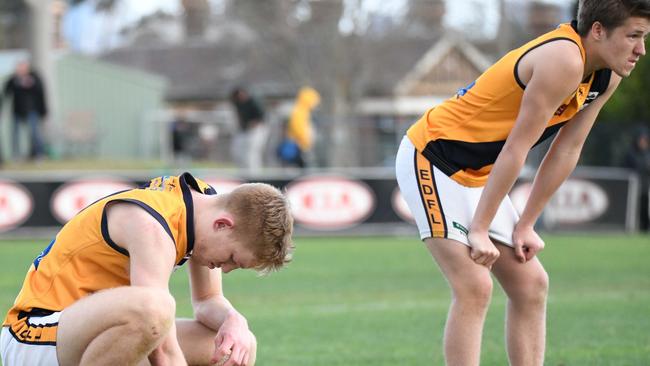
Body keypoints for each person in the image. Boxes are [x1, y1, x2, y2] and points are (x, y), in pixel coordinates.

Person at [395, 1, 650, 365]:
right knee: (475, 286)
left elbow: (567, 149)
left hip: (482, 172)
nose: (641, 49)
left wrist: (526, 224)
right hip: (433, 157)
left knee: (531, 286)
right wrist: (479, 229)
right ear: (597, 30)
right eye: (634, 36)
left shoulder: (607, 75)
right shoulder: (564, 59)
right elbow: (517, 147)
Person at [1, 172, 294, 366]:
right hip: (35, 337)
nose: (227, 269)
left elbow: (207, 302)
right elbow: (162, 349)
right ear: (223, 224)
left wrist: (234, 320)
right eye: (232, 257)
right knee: (154, 308)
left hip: (93, 337)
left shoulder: (202, 205)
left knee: (236, 346)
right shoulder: (151, 225)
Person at [2, 60, 48, 161]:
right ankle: (16, 155)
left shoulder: (34, 77)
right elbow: (6, 93)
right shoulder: (13, 79)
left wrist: (43, 110)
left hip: (32, 110)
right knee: (15, 134)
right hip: (17, 110)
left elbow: (40, 93)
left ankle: (39, 154)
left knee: (34, 133)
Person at [278, 87, 321, 169]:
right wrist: (305, 142)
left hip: (299, 144)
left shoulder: (301, 110)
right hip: (298, 145)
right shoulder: (300, 112)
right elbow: (298, 128)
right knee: (301, 168)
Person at [230, 87, 268, 172]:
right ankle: (242, 172)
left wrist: (252, 124)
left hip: (257, 130)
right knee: (237, 151)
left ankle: (254, 174)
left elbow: (261, 117)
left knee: (251, 153)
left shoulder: (254, 102)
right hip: (244, 130)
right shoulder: (237, 103)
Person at [622, 127, 650, 232]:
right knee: (633, 209)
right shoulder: (631, 153)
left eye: (645, 140)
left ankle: (645, 228)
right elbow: (627, 168)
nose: (643, 142)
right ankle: (633, 228)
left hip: (645, 187)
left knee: (645, 208)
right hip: (633, 188)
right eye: (641, 140)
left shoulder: (647, 154)